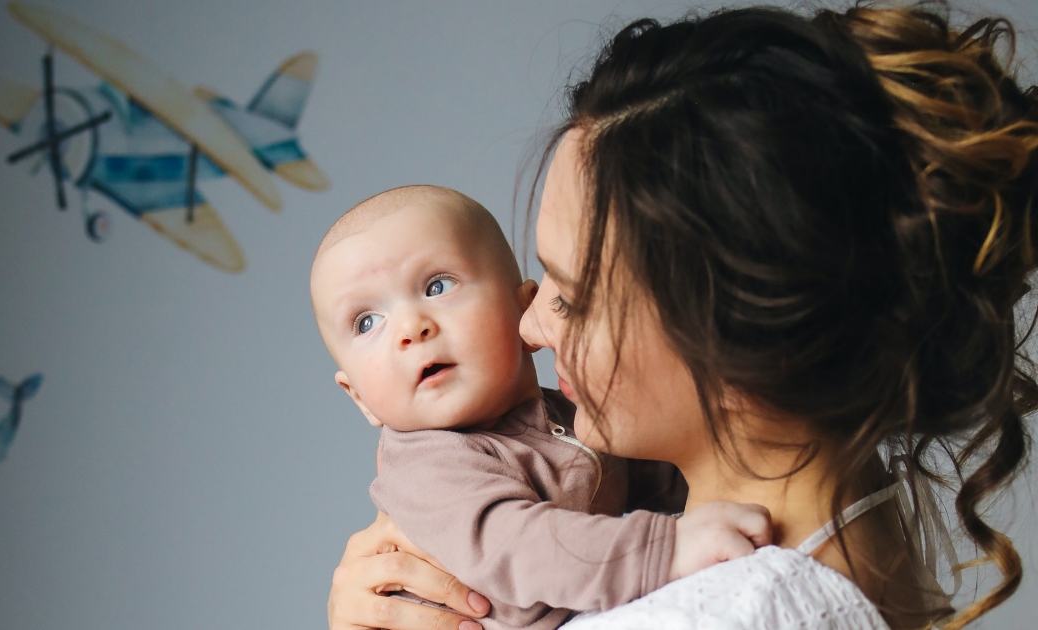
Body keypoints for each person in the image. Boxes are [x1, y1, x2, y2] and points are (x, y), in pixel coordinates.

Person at [326, 3, 1037, 629]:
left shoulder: (724, 607)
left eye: (569, 296)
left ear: (732, 336)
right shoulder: (850, 514)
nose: (531, 328)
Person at [311, 185, 774, 630]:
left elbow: (656, 475)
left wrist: (748, 473)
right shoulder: (427, 465)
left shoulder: (568, 414)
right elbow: (517, 547)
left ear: (525, 310)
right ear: (358, 398)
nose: (410, 328)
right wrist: (666, 549)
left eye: (436, 286)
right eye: (366, 321)